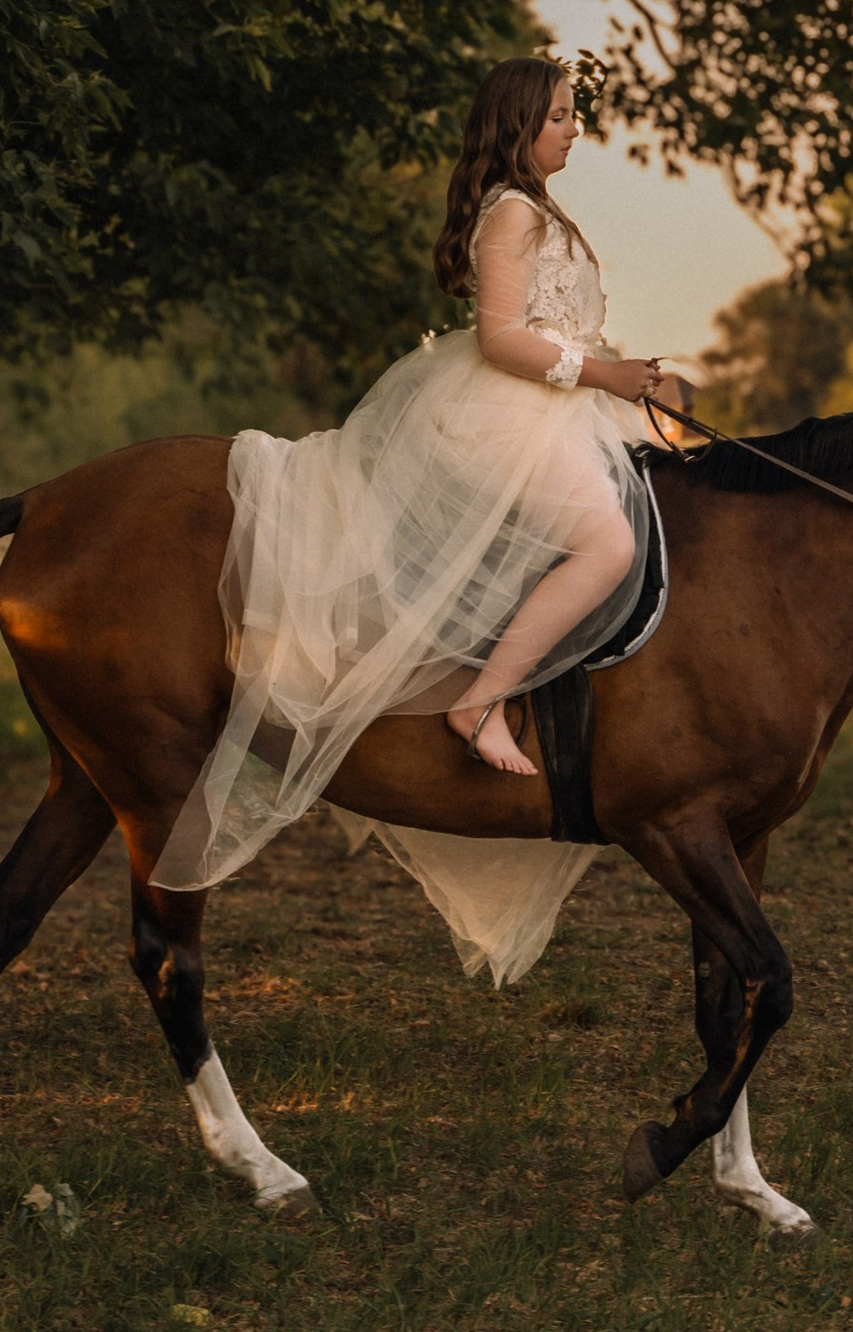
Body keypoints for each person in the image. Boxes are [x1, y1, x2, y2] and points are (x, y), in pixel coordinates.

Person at [154, 55, 690, 911]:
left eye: (572, 114)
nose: (573, 129)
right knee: (607, 541)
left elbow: (560, 325)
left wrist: (635, 379)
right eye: (558, 115)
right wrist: (600, 373)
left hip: (559, 409)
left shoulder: (541, 209)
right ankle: (479, 704)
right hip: (504, 412)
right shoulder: (511, 211)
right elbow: (501, 340)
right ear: (518, 125)